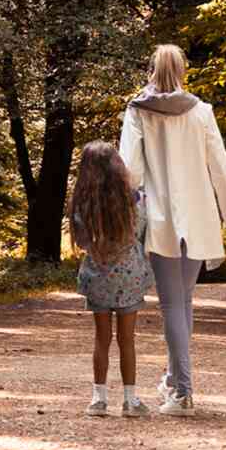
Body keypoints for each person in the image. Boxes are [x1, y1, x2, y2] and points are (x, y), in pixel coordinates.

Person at [119, 43, 226, 416]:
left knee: (172, 305)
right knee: (183, 301)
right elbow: (223, 171)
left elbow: (129, 170)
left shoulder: (138, 112)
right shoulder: (201, 112)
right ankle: (173, 380)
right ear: (183, 72)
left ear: (151, 70)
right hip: (198, 220)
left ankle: (182, 391)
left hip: (162, 222)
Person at [66, 141, 156, 418]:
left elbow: (81, 242)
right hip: (129, 275)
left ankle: (98, 399)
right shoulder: (133, 199)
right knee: (127, 340)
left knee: (101, 339)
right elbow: (141, 231)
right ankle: (130, 400)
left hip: (97, 275)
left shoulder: (81, 203)